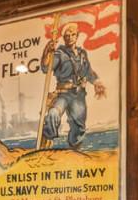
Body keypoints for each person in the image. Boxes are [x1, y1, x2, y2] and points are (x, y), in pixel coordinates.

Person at [37, 22, 107, 150]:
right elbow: (46, 68)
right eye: (67, 36)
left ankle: (75, 149)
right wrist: (47, 52)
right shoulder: (59, 54)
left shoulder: (82, 54)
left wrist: (97, 82)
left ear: (77, 36)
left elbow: (88, 71)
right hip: (63, 94)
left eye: (72, 34)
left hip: (78, 95)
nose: (69, 37)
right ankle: (46, 141)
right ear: (64, 38)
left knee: (79, 126)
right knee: (53, 114)